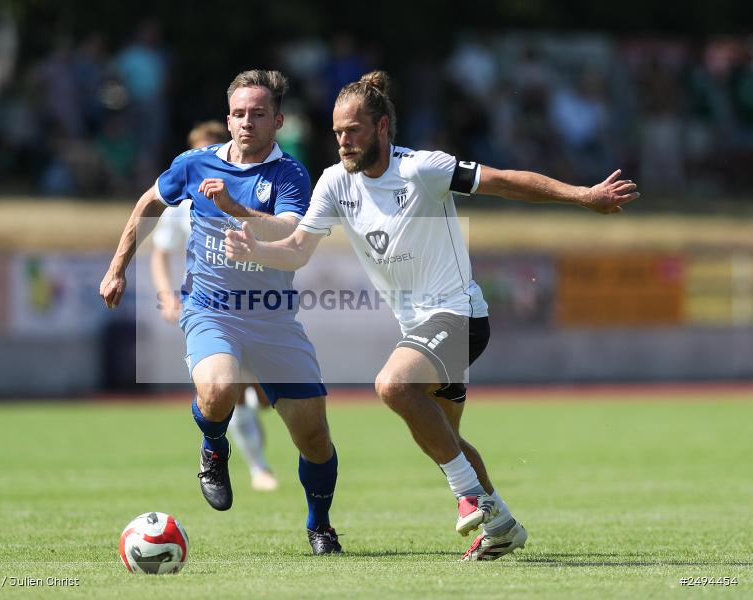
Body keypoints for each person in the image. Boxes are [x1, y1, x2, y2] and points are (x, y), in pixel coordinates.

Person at [225, 71, 639, 561]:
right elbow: (297, 248)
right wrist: (254, 249)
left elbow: (506, 182)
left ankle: (469, 497)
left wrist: (582, 195)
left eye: (353, 130)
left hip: (460, 317)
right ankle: (502, 525)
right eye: (337, 132)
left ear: (381, 127)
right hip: (420, 329)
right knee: (447, 438)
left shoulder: (423, 168)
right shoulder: (335, 182)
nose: (343, 141)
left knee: (393, 386)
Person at [100, 70, 342, 555]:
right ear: (227, 119)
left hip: (273, 317)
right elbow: (149, 203)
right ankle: (213, 447)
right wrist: (117, 267)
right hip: (211, 309)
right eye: (238, 114)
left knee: (314, 437)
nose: (247, 122)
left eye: (258, 114)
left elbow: (289, 234)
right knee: (217, 390)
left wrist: (233, 207)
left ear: (277, 121)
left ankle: (319, 525)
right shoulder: (194, 164)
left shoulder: (291, 174)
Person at [150, 120, 279, 493]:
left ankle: (252, 443)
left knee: (264, 399)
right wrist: (166, 295)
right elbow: (160, 252)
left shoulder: (249, 194)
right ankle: (257, 467)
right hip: (210, 310)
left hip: (257, 309)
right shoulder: (181, 206)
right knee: (228, 391)